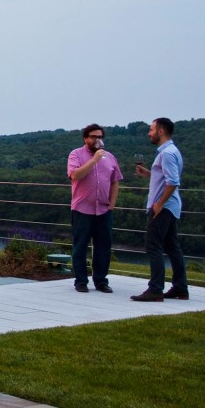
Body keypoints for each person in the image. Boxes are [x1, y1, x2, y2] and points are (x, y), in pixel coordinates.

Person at [131, 117, 187, 302]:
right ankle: (180, 288)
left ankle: (155, 289)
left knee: (153, 246)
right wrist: (149, 173)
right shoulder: (172, 151)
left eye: (151, 129)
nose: (149, 133)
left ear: (161, 131)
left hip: (164, 207)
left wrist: (160, 203)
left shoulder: (167, 154)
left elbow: (173, 182)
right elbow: (166, 178)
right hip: (172, 206)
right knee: (172, 247)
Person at [67, 124, 122, 293]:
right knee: (80, 247)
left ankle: (101, 281)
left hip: (104, 210)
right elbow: (75, 175)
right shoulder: (76, 154)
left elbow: (115, 181)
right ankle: (81, 281)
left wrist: (112, 204)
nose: (97, 140)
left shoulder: (110, 157)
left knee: (103, 247)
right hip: (82, 209)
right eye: (93, 137)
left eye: (100, 137)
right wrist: (94, 160)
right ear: (85, 138)